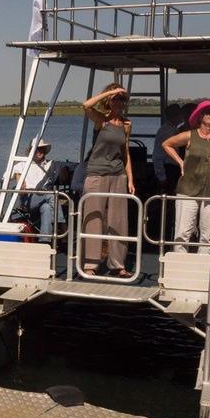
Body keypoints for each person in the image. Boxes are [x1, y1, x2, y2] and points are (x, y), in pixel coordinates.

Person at [162, 100, 210, 253]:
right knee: (182, 233)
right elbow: (167, 144)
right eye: (209, 111)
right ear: (200, 116)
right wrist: (180, 162)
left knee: (208, 235)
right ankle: (180, 268)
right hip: (188, 188)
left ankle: (202, 269)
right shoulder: (189, 135)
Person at [79, 84, 135, 275]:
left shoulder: (127, 124)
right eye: (115, 98)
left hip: (118, 174)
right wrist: (111, 91)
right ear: (108, 100)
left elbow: (126, 152)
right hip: (97, 173)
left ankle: (118, 264)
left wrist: (130, 179)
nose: (119, 102)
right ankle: (90, 264)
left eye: (121, 99)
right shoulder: (101, 120)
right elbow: (85, 105)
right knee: (93, 218)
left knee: (118, 220)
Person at [14, 138, 56, 237]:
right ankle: (63, 226)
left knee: (46, 208)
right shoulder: (23, 164)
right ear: (31, 151)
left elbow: (62, 174)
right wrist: (17, 176)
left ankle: (44, 240)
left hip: (45, 198)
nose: (39, 152)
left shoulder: (49, 164)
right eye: (36, 149)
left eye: (41, 149)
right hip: (28, 198)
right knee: (52, 196)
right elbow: (6, 176)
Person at [152, 103, 186, 196]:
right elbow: (158, 156)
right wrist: (162, 177)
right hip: (168, 169)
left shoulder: (172, 129)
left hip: (171, 168)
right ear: (176, 116)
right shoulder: (167, 132)